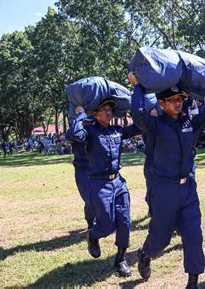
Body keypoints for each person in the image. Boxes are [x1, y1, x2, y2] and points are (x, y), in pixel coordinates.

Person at [130, 77, 205, 288]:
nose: (177, 103)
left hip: (188, 188)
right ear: (161, 104)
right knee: (161, 240)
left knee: (194, 235)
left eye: (179, 98)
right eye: (171, 100)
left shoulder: (190, 121)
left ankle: (193, 281)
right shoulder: (154, 124)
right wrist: (138, 86)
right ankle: (145, 254)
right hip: (164, 189)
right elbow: (136, 114)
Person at [69, 99, 142, 277]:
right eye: (103, 109)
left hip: (118, 182)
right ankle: (93, 235)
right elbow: (74, 135)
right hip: (99, 183)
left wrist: (141, 110)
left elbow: (139, 127)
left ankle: (120, 259)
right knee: (106, 225)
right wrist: (80, 115)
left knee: (125, 221)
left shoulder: (117, 130)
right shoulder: (90, 131)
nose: (108, 112)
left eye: (110, 109)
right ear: (95, 113)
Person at [66, 118, 96, 232]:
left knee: (99, 197)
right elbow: (71, 136)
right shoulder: (75, 126)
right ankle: (90, 222)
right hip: (82, 168)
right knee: (89, 198)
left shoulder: (96, 125)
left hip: (97, 167)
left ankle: (97, 221)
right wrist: (79, 118)